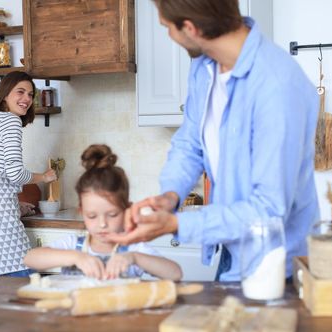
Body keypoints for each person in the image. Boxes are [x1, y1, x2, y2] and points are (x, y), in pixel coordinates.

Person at [106, 0, 320, 281]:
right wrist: (170, 196)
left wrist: (175, 224)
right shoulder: (205, 68)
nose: (169, 35)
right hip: (231, 251)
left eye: (168, 27)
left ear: (191, 28)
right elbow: (189, 142)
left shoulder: (276, 87)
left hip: (278, 265)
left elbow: (269, 208)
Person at [24, 144, 182, 281]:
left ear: (127, 209)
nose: (102, 224)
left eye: (112, 215)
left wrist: (135, 258)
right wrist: (75, 257)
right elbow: (30, 259)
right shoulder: (74, 245)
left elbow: (175, 273)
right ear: (82, 212)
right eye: (92, 216)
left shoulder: (133, 248)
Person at [0, 71, 57, 277]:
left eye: (30, 94)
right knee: (23, 284)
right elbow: (15, 173)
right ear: (5, 94)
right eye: (20, 92)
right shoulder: (11, 122)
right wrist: (44, 177)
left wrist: (15, 205)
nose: (26, 99)